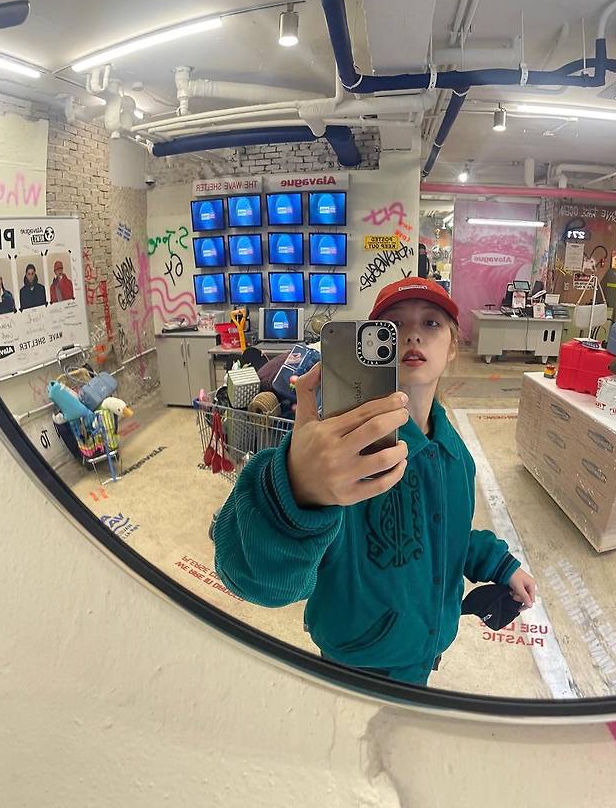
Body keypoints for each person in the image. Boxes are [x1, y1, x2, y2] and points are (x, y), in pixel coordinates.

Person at [212, 278, 536, 685]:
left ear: (453, 346)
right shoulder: (345, 457)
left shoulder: (455, 457)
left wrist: (500, 564)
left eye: (431, 323)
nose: (412, 334)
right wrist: (295, 489)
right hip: (354, 666)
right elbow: (255, 580)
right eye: (393, 326)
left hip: (424, 656)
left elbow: (444, 533)